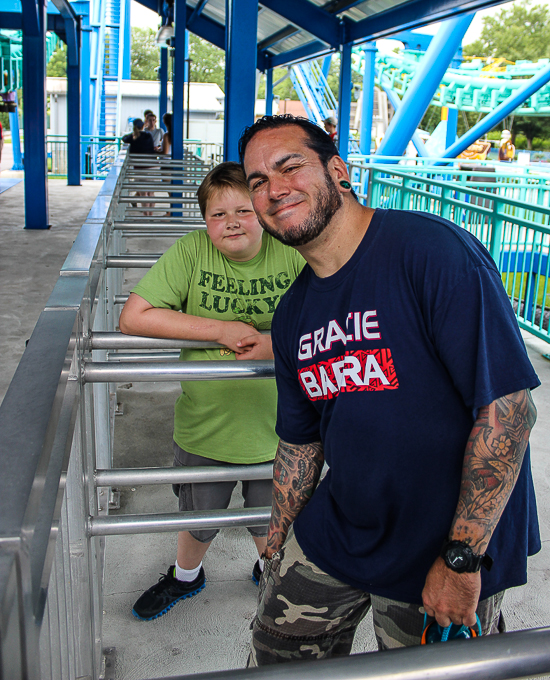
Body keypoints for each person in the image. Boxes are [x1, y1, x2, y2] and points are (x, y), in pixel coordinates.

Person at [238, 115, 540, 663]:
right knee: (277, 651)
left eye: (290, 167)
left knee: (423, 673)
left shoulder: (430, 251)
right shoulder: (294, 314)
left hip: (442, 544)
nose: (274, 188)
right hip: (345, 528)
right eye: (257, 181)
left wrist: (463, 560)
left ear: (338, 172)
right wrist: (278, 539)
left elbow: (508, 412)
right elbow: (301, 444)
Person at [119, 161, 305, 622]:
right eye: (218, 215)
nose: (232, 223)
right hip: (207, 426)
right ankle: (187, 576)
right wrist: (220, 331)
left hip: (281, 426)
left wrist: (272, 343)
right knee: (197, 518)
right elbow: (134, 316)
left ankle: (269, 571)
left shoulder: (293, 251)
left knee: (270, 518)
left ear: (262, 210)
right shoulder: (192, 252)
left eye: (243, 210)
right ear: (204, 221)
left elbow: (337, 315)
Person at [122, 118, 155, 215]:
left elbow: (123, 138)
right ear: (143, 126)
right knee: (151, 192)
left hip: (139, 168)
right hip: (151, 166)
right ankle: (151, 214)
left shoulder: (132, 137)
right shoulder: (148, 135)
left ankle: (146, 216)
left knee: (143, 193)